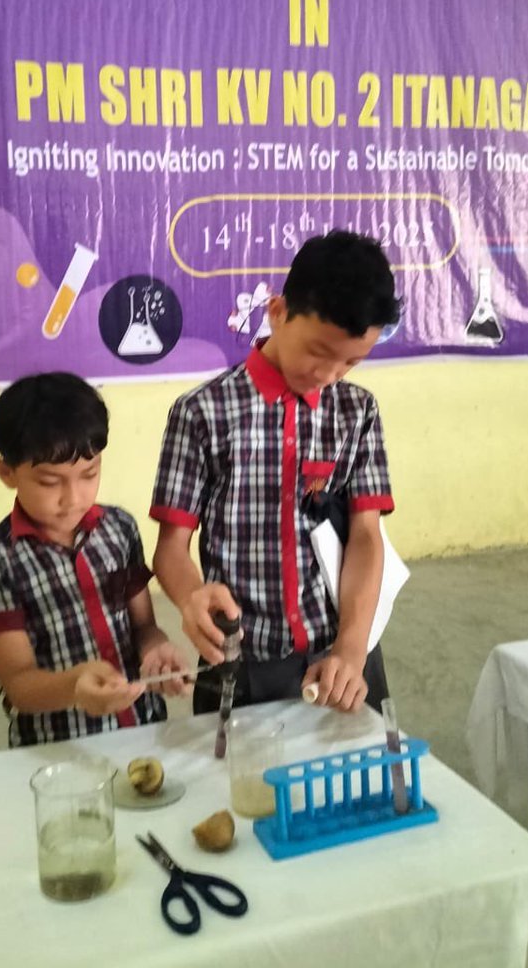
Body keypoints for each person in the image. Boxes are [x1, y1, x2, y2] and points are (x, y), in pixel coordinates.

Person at [150, 230, 401, 716]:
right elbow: (170, 547)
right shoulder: (202, 413)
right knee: (246, 787)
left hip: (341, 656)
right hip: (241, 661)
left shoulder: (357, 411)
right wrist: (190, 598)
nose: (330, 374)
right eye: (318, 352)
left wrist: (352, 646)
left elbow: (367, 536)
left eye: (351, 360)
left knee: (354, 783)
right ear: (278, 313)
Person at [0, 372, 189, 747]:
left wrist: (157, 650)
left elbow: (144, 626)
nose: (73, 497)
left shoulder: (119, 528)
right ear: (6, 473)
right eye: (50, 483)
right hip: (60, 747)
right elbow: (19, 684)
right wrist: (75, 688)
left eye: (89, 474)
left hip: (145, 730)